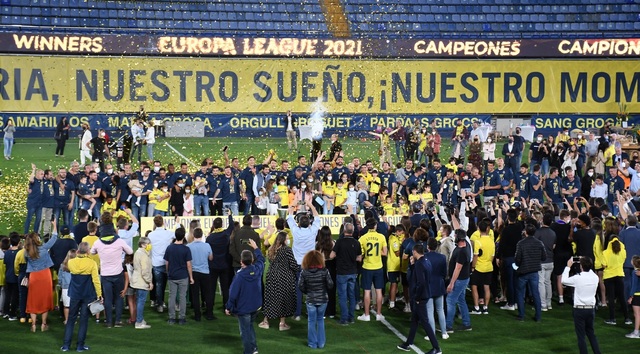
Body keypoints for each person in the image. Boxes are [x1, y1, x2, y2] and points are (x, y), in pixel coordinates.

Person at [90, 212, 133, 328]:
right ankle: (118, 320)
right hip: (117, 272)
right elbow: (130, 251)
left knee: (108, 299)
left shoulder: (98, 242)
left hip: (105, 274)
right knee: (119, 297)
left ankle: (108, 321)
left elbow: (92, 252)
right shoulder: (119, 241)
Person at [397, 243, 442, 354]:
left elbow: (420, 282)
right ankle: (408, 343)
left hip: (420, 297)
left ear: (415, 252)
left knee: (425, 322)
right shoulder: (426, 261)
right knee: (415, 320)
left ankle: (436, 348)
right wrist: (412, 265)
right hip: (425, 294)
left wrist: (417, 297)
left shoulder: (420, 264)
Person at [60, 242, 102, 352]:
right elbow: (96, 280)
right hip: (87, 295)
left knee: (71, 320)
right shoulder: (92, 263)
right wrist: (99, 294)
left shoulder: (71, 262)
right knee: (84, 320)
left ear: (78, 250)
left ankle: (66, 345)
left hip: (74, 294)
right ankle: (80, 346)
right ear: (88, 251)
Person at [226, 238, 264, 354]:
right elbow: (262, 259)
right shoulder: (257, 270)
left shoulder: (239, 276)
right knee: (250, 327)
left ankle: (248, 351)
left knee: (245, 332)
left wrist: (228, 307)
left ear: (241, 262)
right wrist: (256, 248)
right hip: (256, 307)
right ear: (252, 260)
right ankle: (254, 349)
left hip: (244, 309)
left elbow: (233, 294)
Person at [287, 199, 321, 320]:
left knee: (298, 289)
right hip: (310, 265)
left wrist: (294, 203)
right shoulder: (313, 231)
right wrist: (310, 205)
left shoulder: (295, 231)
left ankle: (297, 314)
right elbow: (317, 217)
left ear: (299, 223)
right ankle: (312, 312)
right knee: (312, 289)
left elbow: (289, 215)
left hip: (298, 265)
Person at [561, 257, 602, 354]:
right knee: (591, 333)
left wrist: (568, 267)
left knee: (581, 336)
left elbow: (563, 280)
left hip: (579, 310)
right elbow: (589, 271)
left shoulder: (577, 278)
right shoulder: (595, 277)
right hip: (590, 310)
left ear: (581, 266)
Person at [24, 220, 58, 332]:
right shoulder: (43, 248)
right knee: (45, 299)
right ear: (36, 239)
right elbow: (54, 238)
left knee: (33, 299)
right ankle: (43, 324)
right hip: (45, 275)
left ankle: (33, 324)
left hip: (34, 276)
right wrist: (54, 226)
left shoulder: (27, 252)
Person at [260, 231, 297, 331]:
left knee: (271, 298)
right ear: (284, 240)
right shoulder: (287, 250)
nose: (288, 239)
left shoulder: (272, 249)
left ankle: (265, 321)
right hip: (284, 277)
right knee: (283, 299)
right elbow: (293, 264)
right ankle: (282, 323)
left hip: (272, 276)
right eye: (287, 238)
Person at [299, 250, 334, 349]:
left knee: (311, 321)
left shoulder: (304, 272)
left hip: (311, 299)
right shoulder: (324, 271)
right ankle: (321, 343)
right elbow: (330, 284)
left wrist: (308, 292)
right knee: (320, 320)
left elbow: (300, 286)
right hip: (323, 299)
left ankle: (312, 344)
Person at [330, 222, 361, 325]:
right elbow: (359, 258)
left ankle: (344, 319)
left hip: (342, 272)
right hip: (352, 272)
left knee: (343, 296)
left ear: (344, 231)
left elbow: (331, 256)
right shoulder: (356, 243)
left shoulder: (339, 242)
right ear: (352, 231)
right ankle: (351, 318)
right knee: (351, 296)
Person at [515, 223, 547, 322]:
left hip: (523, 272)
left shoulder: (521, 243)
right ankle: (538, 317)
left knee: (520, 293)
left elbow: (517, 259)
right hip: (534, 272)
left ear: (526, 232)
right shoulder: (539, 243)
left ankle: (521, 316)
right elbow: (544, 257)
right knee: (535, 293)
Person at [358, 218, 388, 322]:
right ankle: (379, 314)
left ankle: (366, 315)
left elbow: (360, 255)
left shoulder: (362, 238)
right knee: (378, 291)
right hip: (378, 266)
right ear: (375, 226)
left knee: (366, 291)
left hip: (367, 267)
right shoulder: (381, 237)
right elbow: (385, 253)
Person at [206, 212, 234, 311]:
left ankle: (210, 307)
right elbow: (232, 226)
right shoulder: (226, 234)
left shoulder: (210, 238)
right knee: (225, 287)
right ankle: (226, 306)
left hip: (213, 265)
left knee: (211, 288)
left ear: (213, 225)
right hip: (225, 265)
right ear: (221, 225)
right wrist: (230, 215)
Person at [446, 230, 472, 333]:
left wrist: (451, 283)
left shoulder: (462, 252)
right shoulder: (465, 246)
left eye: (455, 236)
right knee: (461, 300)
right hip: (463, 279)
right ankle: (466, 323)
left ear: (458, 238)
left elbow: (458, 269)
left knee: (450, 300)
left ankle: (448, 326)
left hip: (459, 280)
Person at [602, 233, 629, 325]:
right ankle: (627, 318)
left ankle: (612, 319)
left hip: (609, 277)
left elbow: (604, 265)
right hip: (620, 275)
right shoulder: (623, 251)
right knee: (622, 297)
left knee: (611, 297)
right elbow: (623, 260)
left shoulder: (606, 252)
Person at [187, 227, 214, 321]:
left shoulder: (189, 246)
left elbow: (188, 261)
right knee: (208, 294)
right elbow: (211, 258)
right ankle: (209, 314)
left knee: (195, 295)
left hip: (194, 272)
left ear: (193, 235)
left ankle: (197, 315)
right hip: (205, 272)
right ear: (202, 235)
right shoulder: (207, 245)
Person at [149, 216, 175, 313]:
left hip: (156, 263)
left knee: (159, 284)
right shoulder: (168, 233)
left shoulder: (151, 235)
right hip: (167, 262)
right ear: (163, 222)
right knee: (171, 284)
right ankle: (173, 304)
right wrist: (176, 224)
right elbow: (178, 235)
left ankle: (160, 304)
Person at [130, 236, 153, 329]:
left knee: (139, 300)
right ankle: (139, 322)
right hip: (142, 281)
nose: (150, 245)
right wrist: (149, 282)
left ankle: (140, 319)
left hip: (137, 280)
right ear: (143, 245)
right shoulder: (143, 254)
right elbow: (145, 270)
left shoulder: (138, 252)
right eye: (148, 243)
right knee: (141, 301)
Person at [626, 256, 640, 338]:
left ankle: (636, 333)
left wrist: (631, 297)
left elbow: (634, 286)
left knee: (637, 314)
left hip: (637, 296)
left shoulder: (635, 272)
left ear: (633, 262)